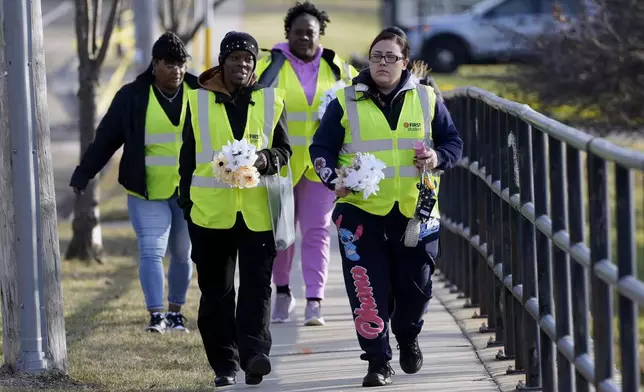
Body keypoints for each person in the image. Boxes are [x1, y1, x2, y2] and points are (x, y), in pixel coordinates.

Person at [309, 28, 463, 387]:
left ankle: (407, 335)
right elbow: (321, 149)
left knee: (416, 288)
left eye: (391, 57)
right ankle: (377, 360)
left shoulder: (426, 98)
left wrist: (436, 156)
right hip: (360, 213)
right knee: (366, 286)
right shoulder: (345, 101)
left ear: (405, 62)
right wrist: (333, 179)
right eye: (377, 56)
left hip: (416, 212)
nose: (383, 63)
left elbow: (453, 142)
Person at [177, 31, 292, 387]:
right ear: (222, 62)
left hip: (258, 214)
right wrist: (186, 203)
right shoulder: (197, 102)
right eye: (235, 58)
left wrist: (265, 158)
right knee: (217, 293)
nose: (242, 64)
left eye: (248, 59)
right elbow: (187, 158)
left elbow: (284, 152)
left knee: (258, 288)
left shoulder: (272, 101)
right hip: (210, 214)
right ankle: (224, 364)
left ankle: (255, 354)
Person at [69, 31, 198, 334]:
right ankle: (156, 314)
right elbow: (106, 139)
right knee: (151, 250)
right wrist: (84, 173)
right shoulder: (132, 96)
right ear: (155, 64)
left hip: (190, 192)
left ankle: (176, 311)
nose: (176, 70)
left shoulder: (200, 91)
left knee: (182, 253)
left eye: (181, 64)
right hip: (146, 190)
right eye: (169, 64)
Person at [255, 0, 358, 326]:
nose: (303, 38)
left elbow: (364, 93)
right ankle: (283, 293)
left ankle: (315, 300)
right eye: (297, 32)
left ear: (320, 34)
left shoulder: (337, 68)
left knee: (317, 232)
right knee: (282, 235)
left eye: (310, 32)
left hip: (320, 166)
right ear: (288, 34)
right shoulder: (270, 66)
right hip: (281, 165)